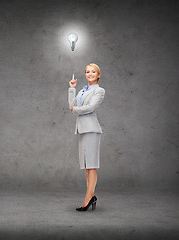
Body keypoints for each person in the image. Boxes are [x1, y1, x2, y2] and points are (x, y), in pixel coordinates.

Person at [68, 63, 105, 211]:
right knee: (86, 167)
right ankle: (92, 196)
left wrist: (75, 109)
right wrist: (72, 89)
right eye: (87, 72)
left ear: (98, 75)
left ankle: (88, 199)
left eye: (93, 72)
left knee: (91, 165)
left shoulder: (100, 91)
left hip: (91, 130)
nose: (90, 74)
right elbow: (72, 106)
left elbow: (90, 108)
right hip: (82, 130)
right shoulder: (82, 90)